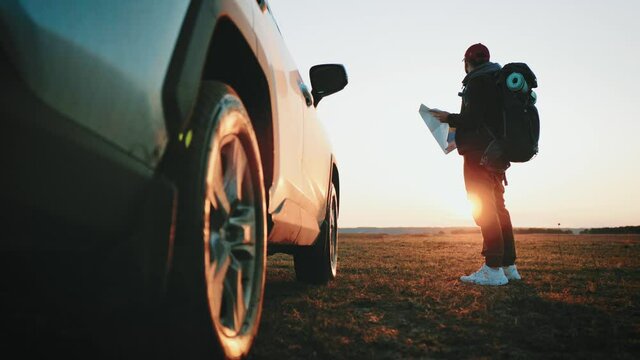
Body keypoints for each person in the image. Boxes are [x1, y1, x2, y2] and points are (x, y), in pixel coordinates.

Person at [429, 43, 521, 286]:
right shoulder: (497, 81)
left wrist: (448, 118)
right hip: (497, 153)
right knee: (499, 208)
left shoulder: (477, 81)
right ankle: (508, 266)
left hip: (478, 154)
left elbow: (473, 119)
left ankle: (492, 269)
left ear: (467, 63)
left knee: (484, 209)